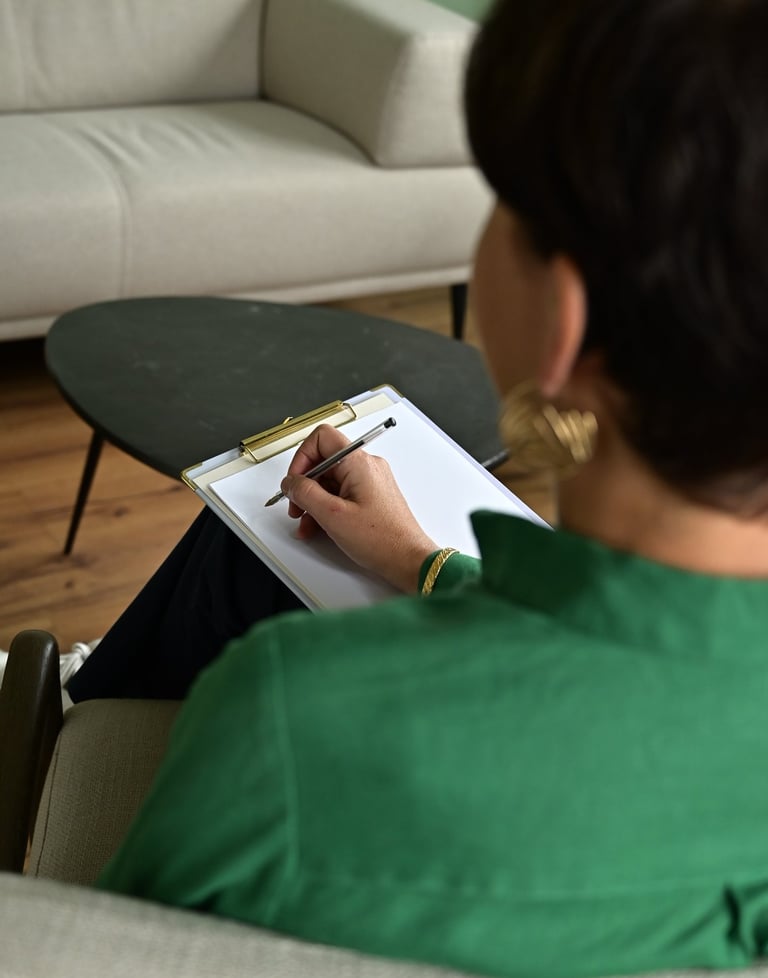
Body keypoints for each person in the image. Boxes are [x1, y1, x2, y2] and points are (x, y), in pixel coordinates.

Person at [70, 0, 768, 975]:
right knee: (244, 550)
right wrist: (419, 558)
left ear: (563, 323)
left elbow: (94, 949)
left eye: (503, 206)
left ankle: (63, 708)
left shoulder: (294, 721)